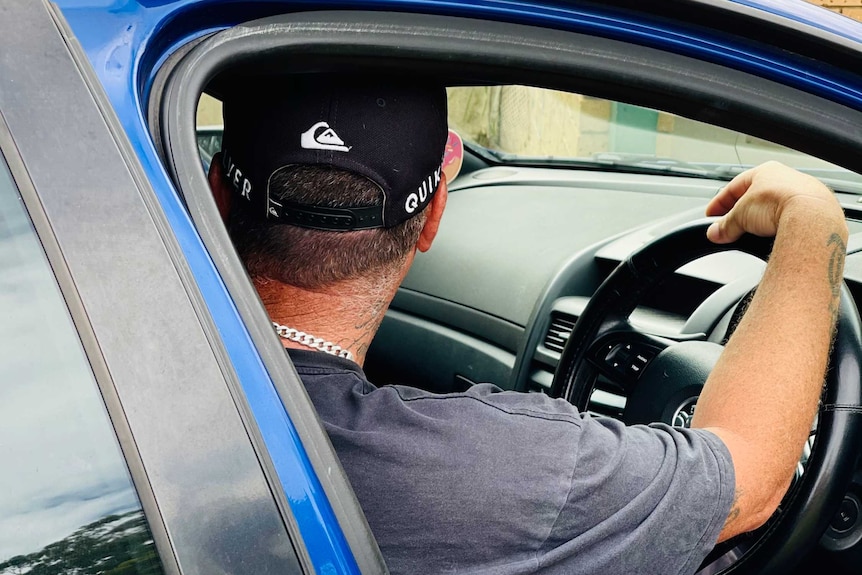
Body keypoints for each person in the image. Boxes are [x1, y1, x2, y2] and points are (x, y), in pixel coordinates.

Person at [207, 76, 848, 574]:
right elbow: (753, 481)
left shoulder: (119, 374)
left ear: (215, 192)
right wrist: (814, 217)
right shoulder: (508, 475)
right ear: (432, 217)